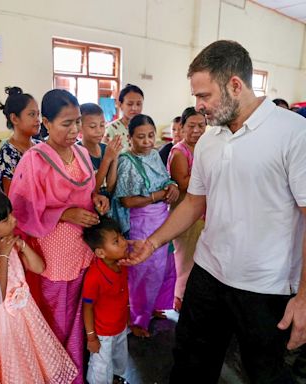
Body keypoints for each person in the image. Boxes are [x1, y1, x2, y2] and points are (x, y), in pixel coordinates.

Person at [126, 40, 306, 383]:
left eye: (204, 95)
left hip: (265, 286)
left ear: (235, 85)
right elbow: (195, 201)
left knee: (263, 371)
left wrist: (305, 297)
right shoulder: (210, 139)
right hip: (209, 273)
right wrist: (152, 243)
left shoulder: (294, 135)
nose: (199, 106)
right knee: (191, 362)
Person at [9, 89, 109, 383]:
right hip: (53, 253)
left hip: (82, 248)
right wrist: (65, 213)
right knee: (55, 317)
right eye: (66, 123)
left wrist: (97, 199)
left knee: (80, 315)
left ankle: (74, 373)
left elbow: (87, 193)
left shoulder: (79, 152)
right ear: (47, 124)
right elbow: (22, 207)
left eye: (77, 121)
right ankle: (52, 374)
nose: (75, 130)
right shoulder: (35, 159)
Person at [0, 187, 78, 383]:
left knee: (23, 367)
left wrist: (22, 247)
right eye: (5, 219)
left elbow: (39, 267)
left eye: (10, 214)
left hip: (21, 318)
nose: (13, 220)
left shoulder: (6, 242)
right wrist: (3, 255)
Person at [110, 114, 179, 338]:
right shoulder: (126, 161)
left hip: (162, 219)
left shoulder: (154, 155)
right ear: (130, 138)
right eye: (141, 137)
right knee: (144, 273)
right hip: (142, 223)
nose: (148, 142)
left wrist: (172, 186)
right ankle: (137, 318)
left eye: (150, 136)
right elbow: (126, 200)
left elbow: (165, 178)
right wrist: (157, 195)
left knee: (165, 268)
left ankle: (155, 306)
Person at [167, 107, 207, 312]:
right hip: (186, 214)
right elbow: (182, 183)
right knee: (186, 262)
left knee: (200, 261)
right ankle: (180, 300)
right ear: (182, 128)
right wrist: (211, 173)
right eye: (191, 126)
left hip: (204, 213)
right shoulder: (179, 151)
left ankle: (192, 300)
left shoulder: (205, 148)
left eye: (201, 125)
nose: (197, 130)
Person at [82, 216, 130, 384]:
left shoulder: (121, 265)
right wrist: (91, 338)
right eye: (116, 241)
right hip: (103, 334)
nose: (124, 242)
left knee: (119, 359)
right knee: (101, 367)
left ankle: (116, 379)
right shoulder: (94, 276)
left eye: (122, 237)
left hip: (120, 327)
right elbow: (87, 307)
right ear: (100, 252)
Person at [0, 86, 40, 195]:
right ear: (14, 118)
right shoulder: (8, 154)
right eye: (32, 114)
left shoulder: (40, 147)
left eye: (38, 114)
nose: (38, 120)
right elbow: (12, 198)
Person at [78, 102, 122, 197]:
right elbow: (92, 190)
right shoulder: (76, 152)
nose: (99, 131)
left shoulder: (106, 149)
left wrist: (114, 157)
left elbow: (110, 188)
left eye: (102, 125)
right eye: (93, 126)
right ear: (80, 127)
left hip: (107, 206)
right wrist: (107, 159)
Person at [104, 84, 145, 151]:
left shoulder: (145, 127)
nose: (134, 108)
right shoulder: (111, 129)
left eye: (138, 104)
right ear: (120, 105)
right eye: (130, 104)